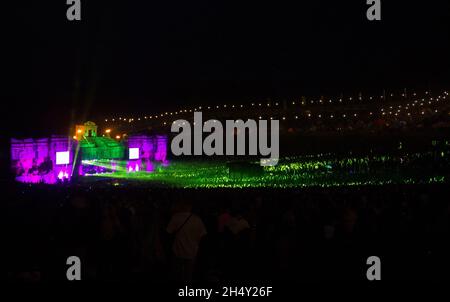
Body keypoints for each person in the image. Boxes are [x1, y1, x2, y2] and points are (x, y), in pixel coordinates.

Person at [166, 200, 207, 281]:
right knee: (188, 276)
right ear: (191, 207)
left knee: (177, 275)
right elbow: (203, 235)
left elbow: (168, 232)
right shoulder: (197, 219)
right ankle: (186, 290)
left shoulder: (176, 217)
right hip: (192, 251)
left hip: (178, 250)